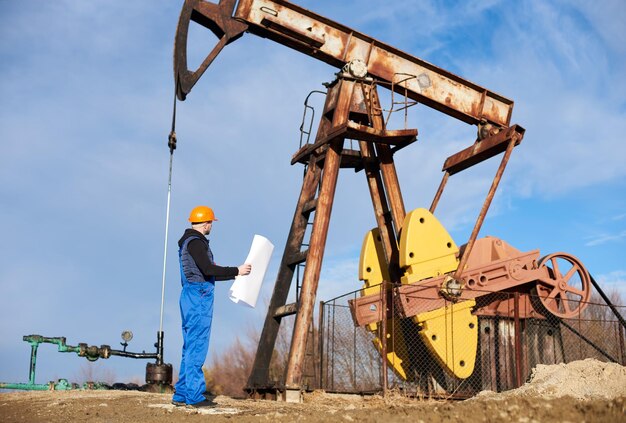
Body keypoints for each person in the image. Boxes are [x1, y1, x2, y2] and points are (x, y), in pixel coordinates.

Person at [172, 205, 251, 408]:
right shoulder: (197, 243)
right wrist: (237, 270)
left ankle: (181, 394)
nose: (211, 227)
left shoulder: (187, 242)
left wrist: (234, 274)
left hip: (190, 295)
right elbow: (208, 270)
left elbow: (206, 272)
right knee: (197, 345)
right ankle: (194, 397)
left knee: (189, 345)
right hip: (199, 297)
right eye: (211, 223)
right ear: (206, 223)